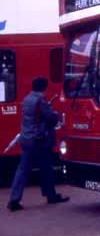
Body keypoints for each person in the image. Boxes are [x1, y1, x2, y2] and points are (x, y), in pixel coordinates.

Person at [7, 77, 69, 212]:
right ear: (44, 88)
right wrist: (56, 115)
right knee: (46, 168)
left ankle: (14, 199)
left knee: (22, 170)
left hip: (26, 139)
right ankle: (51, 195)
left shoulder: (26, 99)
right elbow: (50, 118)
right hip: (39, 141)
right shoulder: (41, 101)